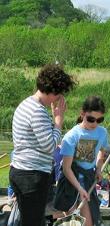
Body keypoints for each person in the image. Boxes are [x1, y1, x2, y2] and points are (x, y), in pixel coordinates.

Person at [9, 64, 75, 226]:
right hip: (32, 176)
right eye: (59, 93)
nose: (59, 98)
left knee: (29, 220)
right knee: (33, 222)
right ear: (53, 91)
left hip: (20, 170)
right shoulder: (37, 111)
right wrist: (58, 121)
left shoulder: (25, 104)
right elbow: (50, 146)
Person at [54, 96, 108, 226]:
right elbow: (66, 168)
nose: (95, 123)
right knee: (71, 222)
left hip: (88, 178)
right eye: (91, 119)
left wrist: (99, 168)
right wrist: (79, 188)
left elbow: (102, 151)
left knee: (88, 223)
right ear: (82, 114)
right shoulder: (71, 136)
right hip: (70, 180)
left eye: (99, 120)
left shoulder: (102, 132)